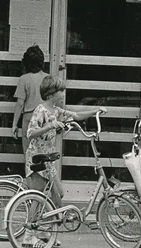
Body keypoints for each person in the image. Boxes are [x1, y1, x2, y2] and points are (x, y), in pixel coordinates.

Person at [26, 75, 106, 209]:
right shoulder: (40, 110)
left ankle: (50, 219)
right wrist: (50, 126)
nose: (63, 94)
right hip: (37, 158)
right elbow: (30, 133)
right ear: (51, 94)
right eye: (61, 91)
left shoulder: (57, 111)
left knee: (59, 193)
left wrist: (96, 111)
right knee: (38, 195)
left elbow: (76, 116)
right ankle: (31, 226)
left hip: (48, 159)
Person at [12, 45, 47, 154]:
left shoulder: (24, 79)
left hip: (29, 117)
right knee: (44, 153)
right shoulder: (48, 78)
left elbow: (20, 104)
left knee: (29, 154)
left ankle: (30, 171)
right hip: (46, 117)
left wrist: (14, 124)